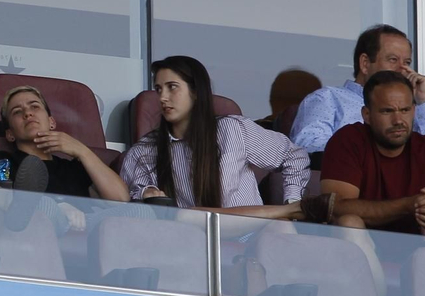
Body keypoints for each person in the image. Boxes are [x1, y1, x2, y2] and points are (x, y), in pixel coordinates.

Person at [121, 56, 329, 221]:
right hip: (195, 237)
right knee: (188, 216)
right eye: (158, 89)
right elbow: (133, 193)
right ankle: (286, 212)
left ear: (195, 92)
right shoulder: (146, 149)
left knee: (280, 233)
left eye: (172, 87)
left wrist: (291, 197)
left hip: (251, 235)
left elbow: (293, 155)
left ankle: (287, 212)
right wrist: (147, 192)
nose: (163, 97)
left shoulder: (232, 129)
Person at [320, 70, 425, 242]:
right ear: (367, 115)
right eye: (387, 111)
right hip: (362, 250)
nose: (398, 120)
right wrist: (408, 205)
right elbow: (335, 208)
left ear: (414, 110)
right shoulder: (348, 140)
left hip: (415, 252)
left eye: (405, 110)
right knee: (350, 222)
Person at [291, 24, 425, 162]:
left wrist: (424, 101)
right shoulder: (328, 99)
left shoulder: (412, 110)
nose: (403, 70)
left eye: (407, 62)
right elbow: (309, 148)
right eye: (393, 60)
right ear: (365, 63)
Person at [0, 85, 129, 201]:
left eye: (34, 106)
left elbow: (121, 199)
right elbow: (5, 200)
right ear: (10, 134)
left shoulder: (74, 168)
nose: (28, 113)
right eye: (17, 112)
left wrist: (82, 151)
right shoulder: (4, 161)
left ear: (51, 122)